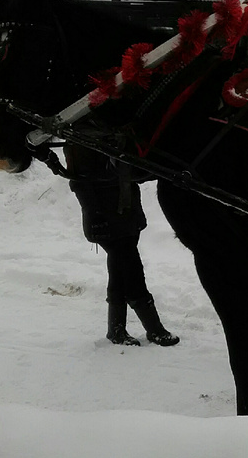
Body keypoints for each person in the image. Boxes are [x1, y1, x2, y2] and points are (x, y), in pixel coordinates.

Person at [64, 144, 180, 347]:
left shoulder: (116, 136)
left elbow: (134, 172)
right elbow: (79, 183)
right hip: (106, 219)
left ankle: (116, 330)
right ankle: (154, 328)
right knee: (132, 270)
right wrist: (95, 215)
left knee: (119, 271)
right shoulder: (81, 141)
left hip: (127, 213)